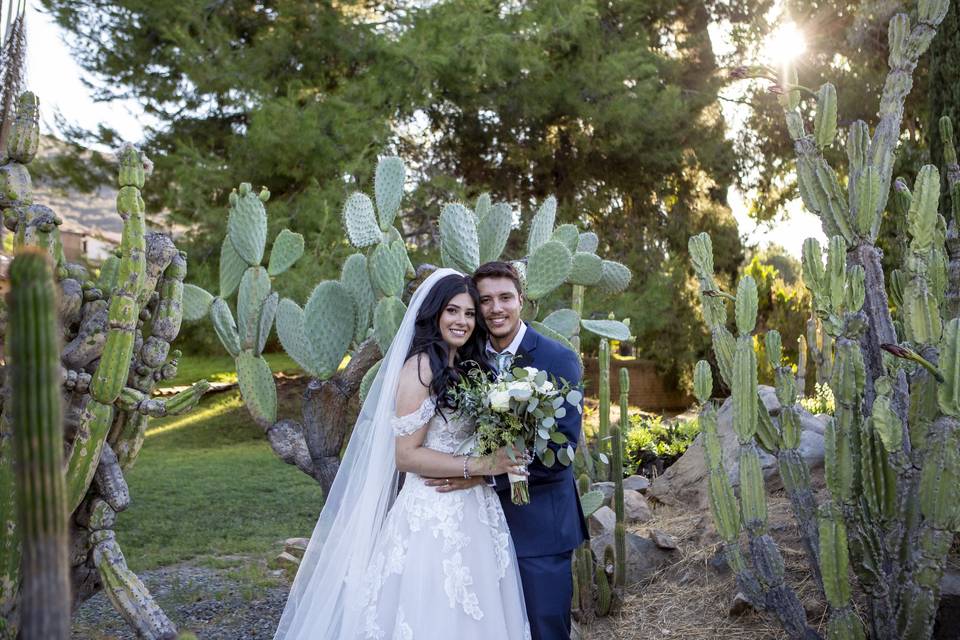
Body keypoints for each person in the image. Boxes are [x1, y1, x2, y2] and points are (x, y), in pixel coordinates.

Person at [273, 269, 533, 640]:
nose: (462, 321)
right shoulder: (420, 368)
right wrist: (481, 464)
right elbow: (406, 456)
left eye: (470, 313)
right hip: (434, 515)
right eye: (452, 311)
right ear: (434, 315)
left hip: (477, 510)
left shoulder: (465, 366)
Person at [425, 261, 588, 640]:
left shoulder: (557, 359)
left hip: (540, 526)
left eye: (505, 298)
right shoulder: (464, 359)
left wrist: (481, 473)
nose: (495, 308)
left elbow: (560, 453)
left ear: (521, 301)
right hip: (475, 527)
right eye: (485, 300)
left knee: (546, 629)